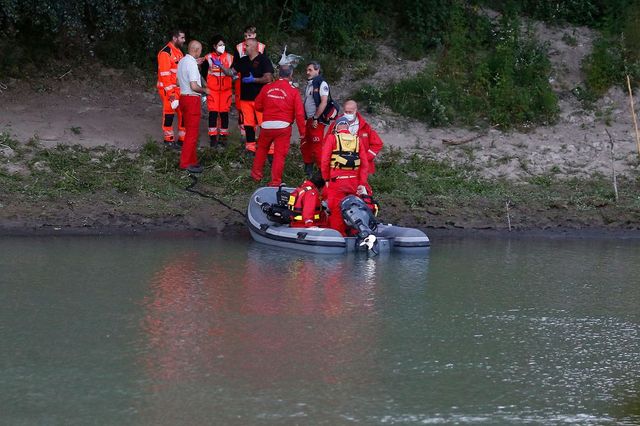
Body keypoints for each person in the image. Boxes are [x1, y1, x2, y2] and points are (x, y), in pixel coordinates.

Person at [251, 64, 306, 186]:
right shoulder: (293, 91)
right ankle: (275, 182)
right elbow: (300, 114)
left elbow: (258, 106)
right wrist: (303, 133)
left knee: (261, 150)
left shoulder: (267, 87)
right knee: (279, 155)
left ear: (278, 74)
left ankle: (256, 176)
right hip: (283, 127)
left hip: (266, 126)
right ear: (291, 75)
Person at [321, 116, 369, 236]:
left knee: (336, 210)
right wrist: (362, 183)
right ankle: (355, 233)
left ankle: (339, 236)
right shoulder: (357, 140)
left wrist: (326, 178)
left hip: (337, 181)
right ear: (348, 127)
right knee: (353, 208)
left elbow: (325, 161)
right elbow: (364, 163)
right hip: (353, 182)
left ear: (336, 127)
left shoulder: (333, 138)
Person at [232, 38, 274, 155]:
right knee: (248, 124)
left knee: (264, 124)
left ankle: (270, 150)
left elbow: (268, 78)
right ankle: (250, 148)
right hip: (245, 99)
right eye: (245, 45)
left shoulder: (264, 60)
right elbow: (232, 72)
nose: (245, 48)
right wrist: (221, 67)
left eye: (247, 46)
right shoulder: (243, 60)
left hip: (260, 99)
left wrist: (253, 80)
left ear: (255, 47)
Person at [177, 40, 210, 173]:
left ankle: (192, 161)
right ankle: (185, 163)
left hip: (183, 97)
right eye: (200, 50)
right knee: (192, 133)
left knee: (192, 131)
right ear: (196, 50)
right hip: (191, 99)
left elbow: (178, 82)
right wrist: (206, 91)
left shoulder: (182, 61)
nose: (200, 53)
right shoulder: (191, 64)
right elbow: (194, 86)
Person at [328, 99, 384, 174]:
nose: (347, 114)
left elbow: (377, 144)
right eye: (346, 112)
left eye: (350, 112)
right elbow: (326, 143)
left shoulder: (364, 126)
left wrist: (366, 158)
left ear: (356, 110)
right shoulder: (336, 124)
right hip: (339, 165)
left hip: (360, 167)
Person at [302, 61, 337, 177]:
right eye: (307, 70)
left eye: (310, 70)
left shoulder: (321, 83)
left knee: (317, 147)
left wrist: (316, 117)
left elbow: (324, 102)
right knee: (306, 143)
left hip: (317, 120)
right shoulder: (311, 83)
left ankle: (323, 172)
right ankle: (308, 168)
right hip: (309, 119)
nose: (307, 72)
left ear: (317, 70)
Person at [201, 35, 234, 148]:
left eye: (223, 44)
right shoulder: (208, 58)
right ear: (214, 46)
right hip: (213, 91)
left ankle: (223, 137)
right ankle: (213, 138)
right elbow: (203, 74)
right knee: (213, 113)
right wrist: (205, 87)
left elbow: (233, 73)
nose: (222, 47)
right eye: (220, 45)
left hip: (226, 91)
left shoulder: (230, 58)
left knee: (224, 114)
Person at [234, 26, 267, 138]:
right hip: (242, 81)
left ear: (255, 36)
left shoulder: (262, 48)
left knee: (261, 117)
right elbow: (235, 67)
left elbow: (267, 72)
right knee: (243, 110)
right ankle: (246, 138)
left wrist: (255, 79)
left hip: (257, 87)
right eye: (245, 36)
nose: (247, 38)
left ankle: (265, 145)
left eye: (250, 35)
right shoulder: (239, 47)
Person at [157, 29, 186, 149]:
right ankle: (168, 141)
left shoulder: (179, 52)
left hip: (179, 89)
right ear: (175, 38)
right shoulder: (165, 53)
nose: (184, 40)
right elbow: (165, 76)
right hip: (167, 90)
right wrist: (171, 95)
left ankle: (182, 140)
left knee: (183, 114)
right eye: (182, 38)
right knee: (169, 114)